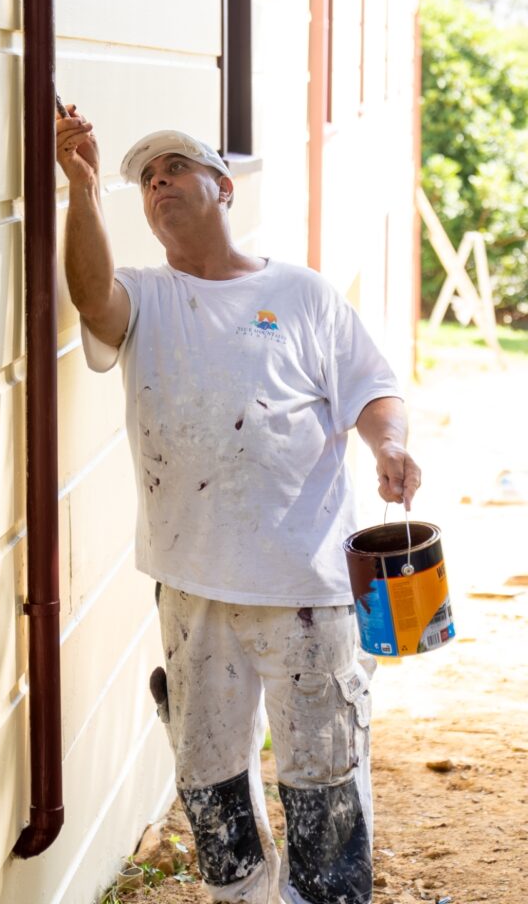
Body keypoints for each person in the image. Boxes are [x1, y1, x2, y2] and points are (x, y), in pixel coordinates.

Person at [56, 105, 421, 904]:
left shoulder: (301, 292)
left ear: (222, 186)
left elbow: (373, 386)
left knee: (322, 775)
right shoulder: (146, 298)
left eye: (174, 169)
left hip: (306, 587)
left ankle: (325, 899)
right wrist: (81, 188)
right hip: (192, 588)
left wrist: (388, 445)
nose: (158, 185)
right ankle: (245, 897)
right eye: (147, 180)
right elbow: (91, 301)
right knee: (210, 776)